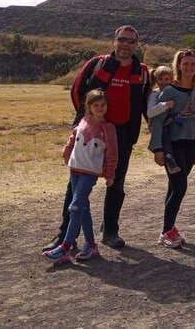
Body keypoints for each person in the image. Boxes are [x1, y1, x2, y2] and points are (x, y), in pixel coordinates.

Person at [43, 25, 151, 251]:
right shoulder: (97, 64)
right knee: (77, 184)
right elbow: (77, 92)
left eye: (131, 41)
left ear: (136, 45)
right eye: (122, 39)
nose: (125, 44)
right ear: (114, 41)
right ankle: (65, 235)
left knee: (116, 183)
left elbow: (145, 104)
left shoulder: (141, 71)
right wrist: (86, 122)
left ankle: (110, 231)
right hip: (92, 133)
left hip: (122, 135)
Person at [44, 90, 117, 264]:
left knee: (75, 207)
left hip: (89, 173)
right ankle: (91, 246)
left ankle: (65, 247)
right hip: (75, 169)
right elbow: (73, 137)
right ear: (89, 107)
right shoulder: (83, 121)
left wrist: (110, 174)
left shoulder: (108, 128)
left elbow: (112, 153)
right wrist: (66, 152)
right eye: (95, 105)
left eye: (103, 105)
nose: (99, 108)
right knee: (83, 208)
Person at [149, 50, 195, 248]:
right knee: (180, 187)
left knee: (174, 187)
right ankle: (167, 231)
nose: (189, 67)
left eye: (193, 64)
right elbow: (157, 122)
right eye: (185, 64)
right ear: (178, 65)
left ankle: (168, 228)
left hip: (191, 145)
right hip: (172, 146)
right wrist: (157, 149)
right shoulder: (169, 91)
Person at [149, 66, 195, 170]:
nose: (164, 82)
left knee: (180, 181)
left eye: (167, 79)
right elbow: (153, 116)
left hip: (191, 138)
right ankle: (169, 160)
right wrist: (157, 148)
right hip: (169, 134)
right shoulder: (158, 94)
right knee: (179, 181)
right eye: (160, 79)